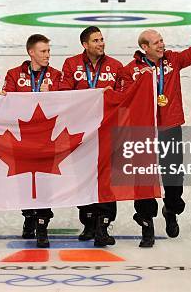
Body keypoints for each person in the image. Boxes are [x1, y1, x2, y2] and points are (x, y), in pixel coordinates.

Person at [117, 5, 191, 247]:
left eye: (162, 40)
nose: (161, 45)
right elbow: (121, 99)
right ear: (144, 48)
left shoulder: (173, 60)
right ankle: (147, 222)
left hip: (170, 128)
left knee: (173, 177)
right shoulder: (131, 71)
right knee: (144, 179)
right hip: (143, 132)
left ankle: (171, 210)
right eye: (156, 42)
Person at [60, 26, 123, 247]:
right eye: (96, 40)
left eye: (102, 39)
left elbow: (124, 97)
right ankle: (88, 222)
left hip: (107, 132)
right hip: (80, 133)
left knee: (107, 180)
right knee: (82, 178)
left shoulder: (116, 66)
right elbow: (65, 93)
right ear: (85, 45)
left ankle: (103, 226)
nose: (101, 43)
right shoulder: (71, 64)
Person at [2, 34, 62, 248]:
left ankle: (43, 225)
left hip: (47, 141)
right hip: (23, 140)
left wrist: (51, 94)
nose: (48, 55)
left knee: (45, 183)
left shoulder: (56, 76)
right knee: (24, 182)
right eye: (43, 51)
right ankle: (28, 217)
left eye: (48, 51)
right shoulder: (13, 74)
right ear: (31, 53)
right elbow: (7, 104)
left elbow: (65, 105)